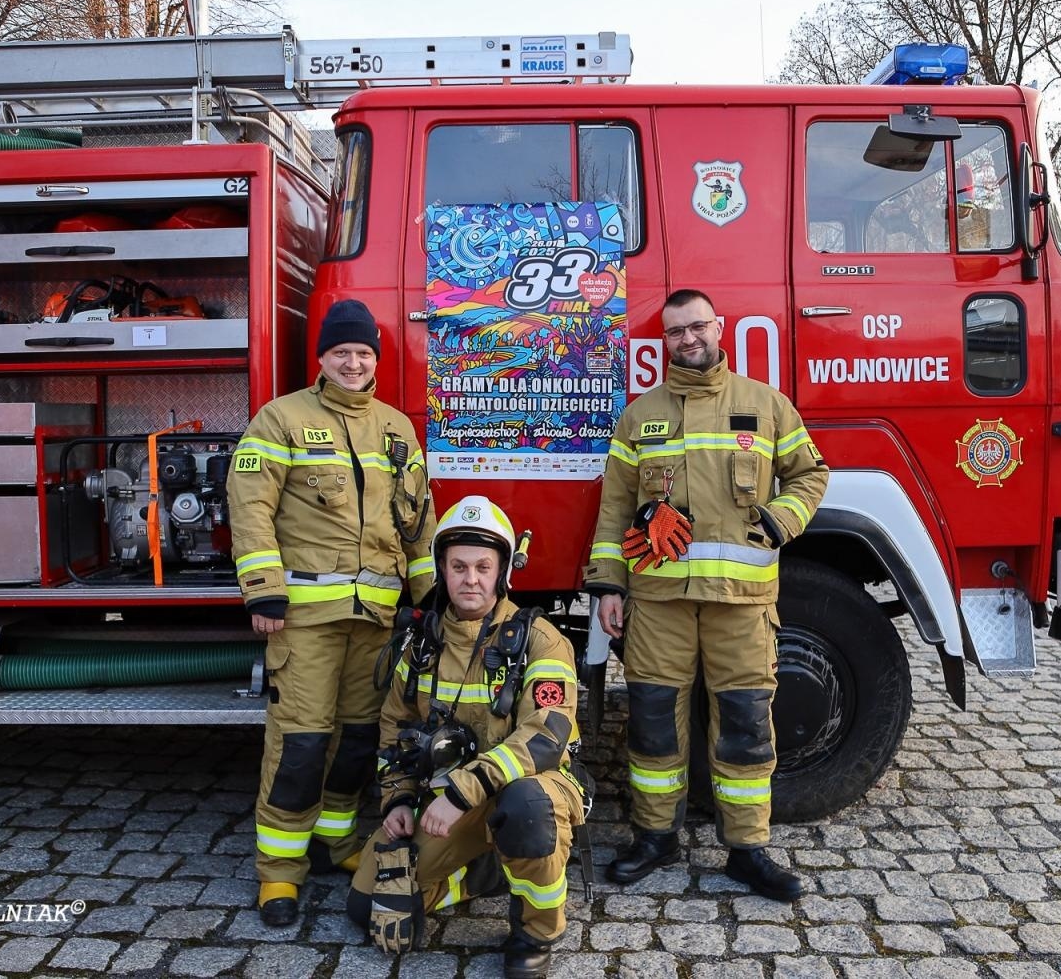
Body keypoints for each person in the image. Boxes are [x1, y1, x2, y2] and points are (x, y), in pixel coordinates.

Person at [584, 288, 829, 901]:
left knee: (746, 725)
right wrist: (609, 585)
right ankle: (654, 837)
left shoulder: (765, 405)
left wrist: (781, 519)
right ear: (662, 340)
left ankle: (747, 850)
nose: (687, 339)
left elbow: (811, 473)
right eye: (674, 332)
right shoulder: (640, 416)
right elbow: (615, 507)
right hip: (658, 603)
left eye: (697, 327)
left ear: (719, 328)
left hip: (742, 605)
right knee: (653, 726)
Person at [228, 298, 436, 927]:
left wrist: (428, 601)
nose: (352, 363)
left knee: (357, 744)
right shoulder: (280, 419)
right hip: (304, 619)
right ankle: (279, 875)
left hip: (375, 619)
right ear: (321, 357)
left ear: (377, 358)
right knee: (300, 745)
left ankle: (337, 845)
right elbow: (250, 504)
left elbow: (418, 518)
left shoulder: (397, 427)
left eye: (363, 353)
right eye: (341, 352)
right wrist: (262, 588)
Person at [348, 496, 584, 979]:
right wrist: (397, 801)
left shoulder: (540, 640)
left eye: (482, 566)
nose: (470, 579)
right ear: (442, 569)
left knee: (525, 810)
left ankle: (536, 931)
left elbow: (545, 738)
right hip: (446, 799)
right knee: (366, 904)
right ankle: (489, 870)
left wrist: (462, 792)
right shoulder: (420, 645)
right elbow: (394, 729)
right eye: (458, 566)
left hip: (527, 788)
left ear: (502, 573)